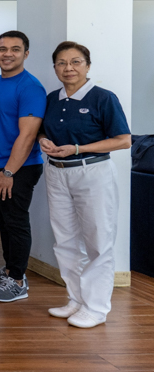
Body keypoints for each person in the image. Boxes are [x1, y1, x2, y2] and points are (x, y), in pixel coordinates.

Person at [39, 41, 131, 328]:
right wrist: (43, 139)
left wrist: (77, 149)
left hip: (91, 172)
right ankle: (76, 299)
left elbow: (123, 140)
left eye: (76, 62)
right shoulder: (53, 99)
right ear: (55, 68)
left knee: (98, 242)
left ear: (87, 66)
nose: (68, 68)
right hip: (57, 173)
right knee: (65, 240)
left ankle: (97, 307)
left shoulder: (103, 98)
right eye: (62, 63)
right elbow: (44, 128)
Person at [0, 31, 46, 303]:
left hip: (18, 168)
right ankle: (8, 270)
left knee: (16, 223)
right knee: (2, 221)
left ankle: (18, 281)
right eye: (2, 49)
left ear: (25, 54)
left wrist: (8, 172)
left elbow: (27, 135)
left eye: (15, 49)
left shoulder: (30, 87)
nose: (8, 54)